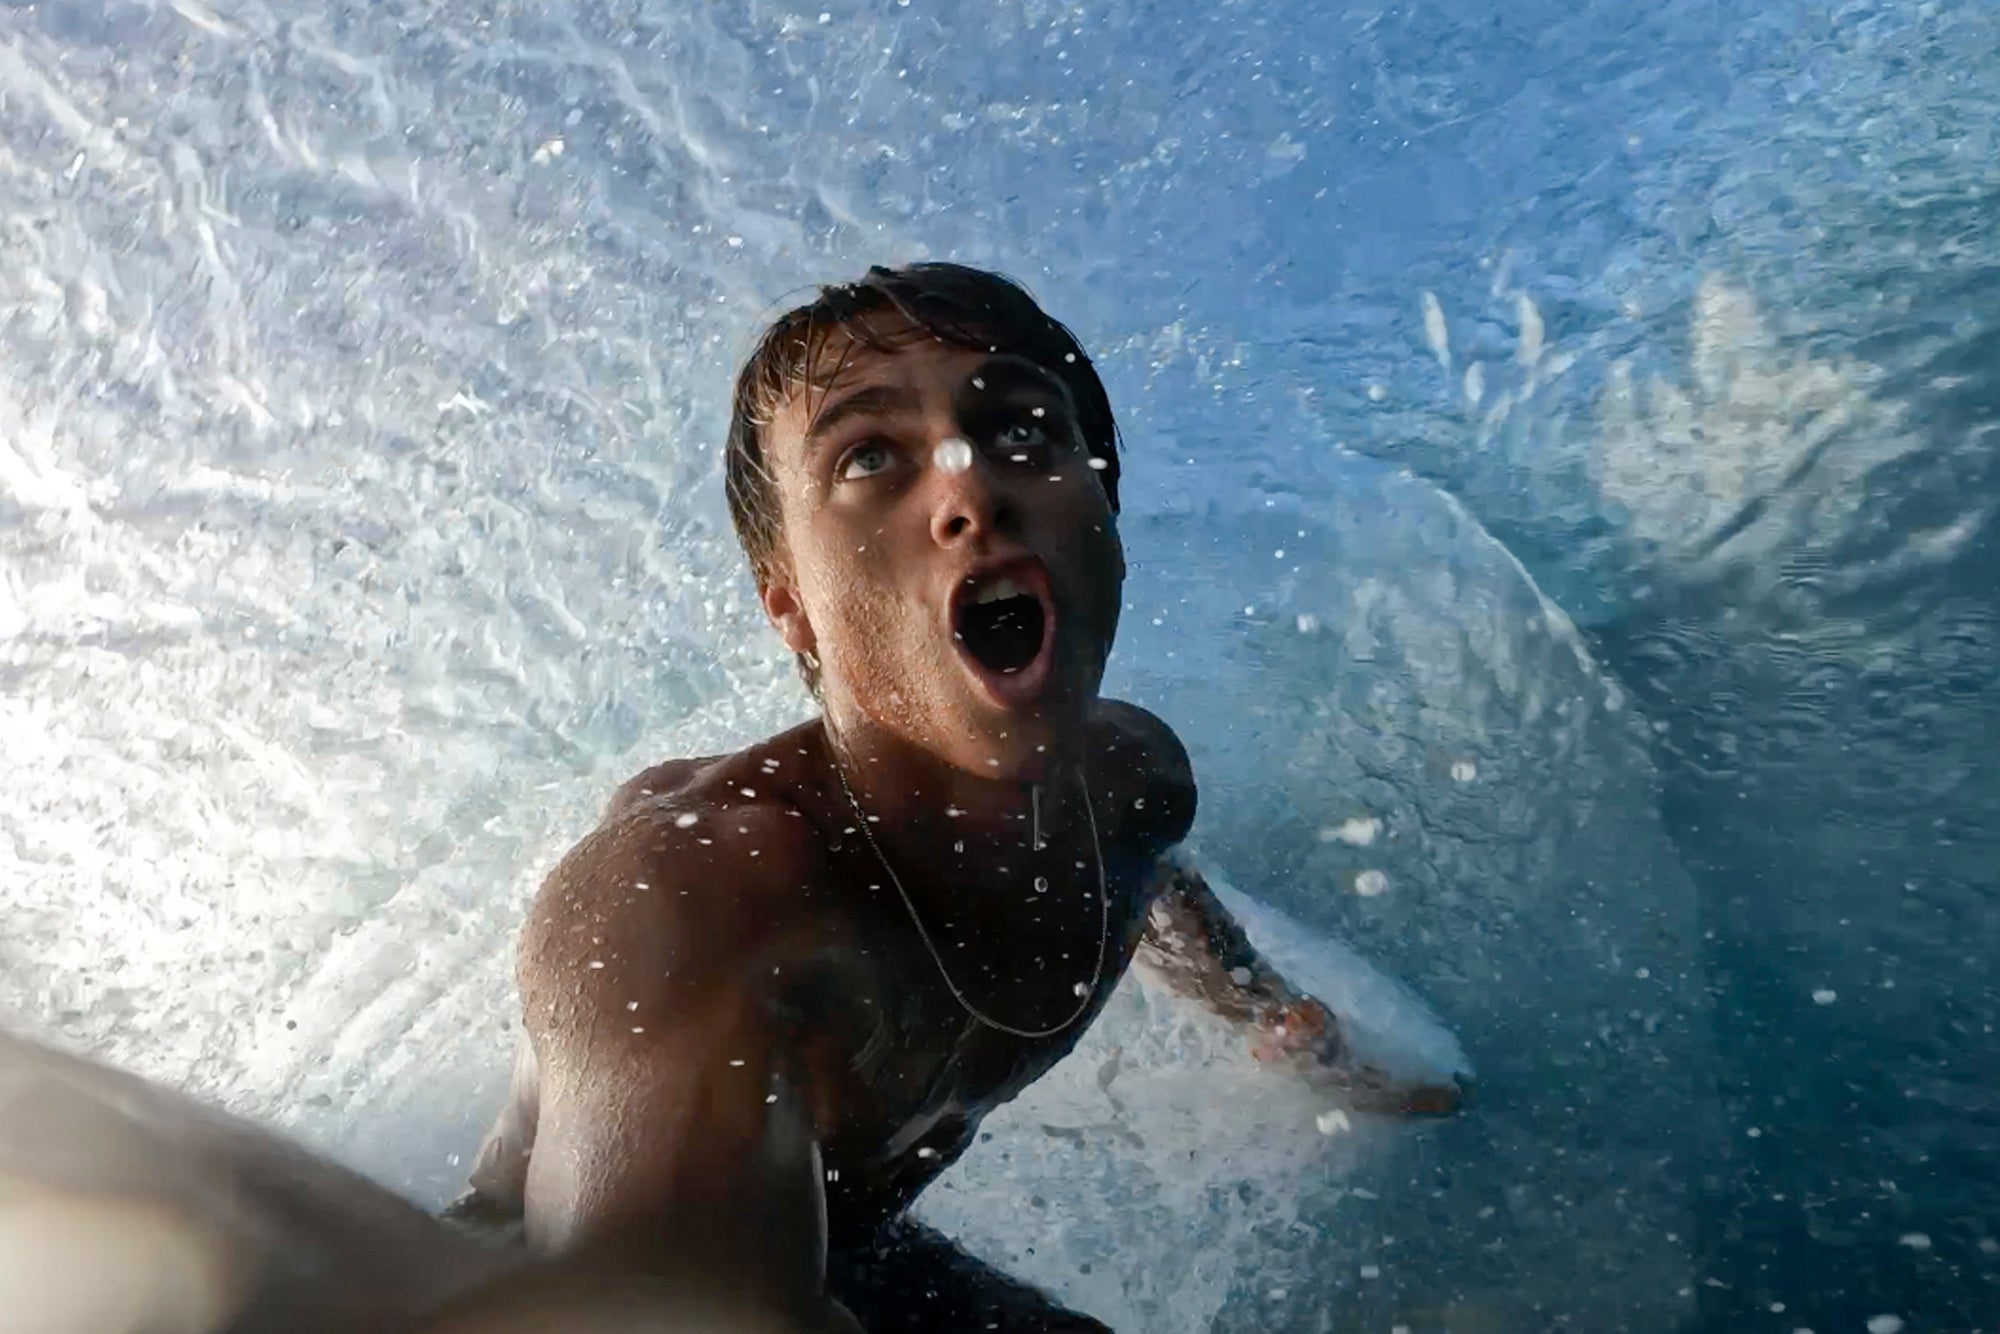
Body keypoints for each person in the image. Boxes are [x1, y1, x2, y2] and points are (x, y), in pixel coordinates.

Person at [453, 262, 1467, 1333]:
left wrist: (1279, 1022)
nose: (969, 488)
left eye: (1023, 432)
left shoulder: (1135, 783)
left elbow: (1155, 884)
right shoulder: (696, 899)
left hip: (856, 1251)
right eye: (870, 455)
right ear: (787, 602)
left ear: (1105, 522)